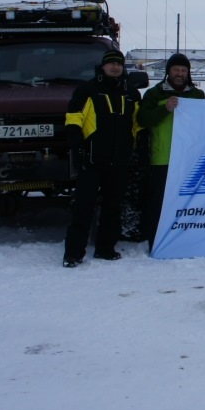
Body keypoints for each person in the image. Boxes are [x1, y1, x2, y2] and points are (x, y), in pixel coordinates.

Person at [62, 49, 142, 268]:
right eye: (111, 64)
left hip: (120, 161)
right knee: (83, 208)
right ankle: (73, 253)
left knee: (113, 208)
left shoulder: (132, 94)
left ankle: (106, 248)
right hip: (92, 160)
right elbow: (73, 120)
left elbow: (138, 125)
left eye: (119, 64)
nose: (115, 67)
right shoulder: (87, 91)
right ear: (103, 67)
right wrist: (78, 149)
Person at [137, 52, 205, 251]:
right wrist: (164, 108)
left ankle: (185, 239)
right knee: (159, 203)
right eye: (176, 69)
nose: (180, 73)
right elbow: (143, 120)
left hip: (189, 160)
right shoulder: (154, 94)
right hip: (162, 158)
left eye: (184, 70)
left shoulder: (197, 95)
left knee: (186, 201)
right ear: (168, 72)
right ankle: (156, 241)